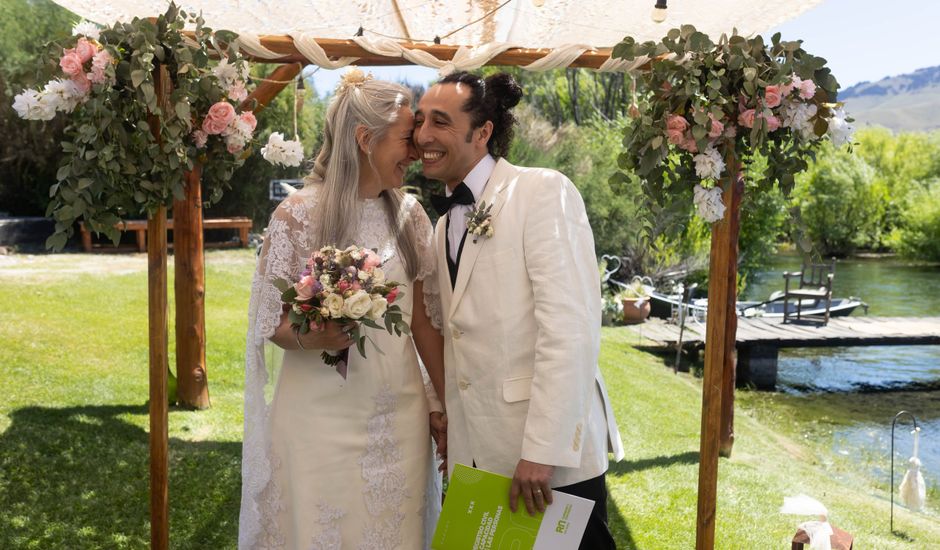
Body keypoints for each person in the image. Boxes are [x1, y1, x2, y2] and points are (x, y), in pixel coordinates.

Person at [415, 71, 625, 549]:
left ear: (483, 132)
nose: (423, 135)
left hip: (548, 462)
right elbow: (453, 335)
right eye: (420, 120)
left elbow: (570, 330)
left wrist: (542, 451)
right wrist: (446, 417)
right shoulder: (441, 224)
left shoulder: (543, 191)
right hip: (479, 452)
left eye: (441, 122)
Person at [239, 70, 446, 549]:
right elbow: (271, 320)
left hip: (399, 421)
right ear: (363, 138)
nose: (415, 151)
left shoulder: (411, 215)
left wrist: (442, 404)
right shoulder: (297, 214)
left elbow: (423, 323)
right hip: (317, 421)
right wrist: (313, 336)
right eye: (404, 138)